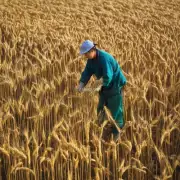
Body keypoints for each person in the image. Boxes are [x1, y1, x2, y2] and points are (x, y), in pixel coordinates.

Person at [77, 40, 127, 141]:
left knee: (115, 110)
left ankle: (116, 133)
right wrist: (82, 83)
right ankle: (102, 129)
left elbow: (108, 76)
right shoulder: (91, 60)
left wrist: (97, 86)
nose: (85, 56)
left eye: (86, 53)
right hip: (104, 86)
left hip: (115, 85)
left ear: (92, 50)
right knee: (101, 108)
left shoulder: (104, 58)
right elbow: (87, 72)